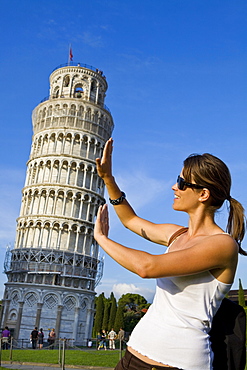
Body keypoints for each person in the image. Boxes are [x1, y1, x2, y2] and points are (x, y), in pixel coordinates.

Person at [94, 138, 246, 370]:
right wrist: (108, 179)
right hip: (132, 358)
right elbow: (130, 220)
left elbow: (147, 267)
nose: (174, 187)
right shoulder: (177, 234)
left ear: (203, 194)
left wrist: (102, 240)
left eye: (181, 182)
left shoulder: (223, 245)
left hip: (175, 364)